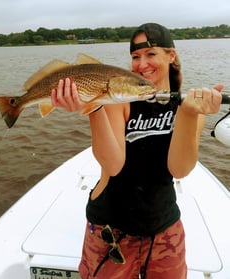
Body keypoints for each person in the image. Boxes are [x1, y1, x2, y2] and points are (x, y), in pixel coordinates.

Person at [51, 23, 223, 279]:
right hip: (111, 230)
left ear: (171, 55)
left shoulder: (188, 106)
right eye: (135, 56)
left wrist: (187, 113)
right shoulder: (118, 99)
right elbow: (113, 165)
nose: (141, 64)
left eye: (151, 54)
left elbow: (180, 169)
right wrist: (95, 106)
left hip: (165, 229)